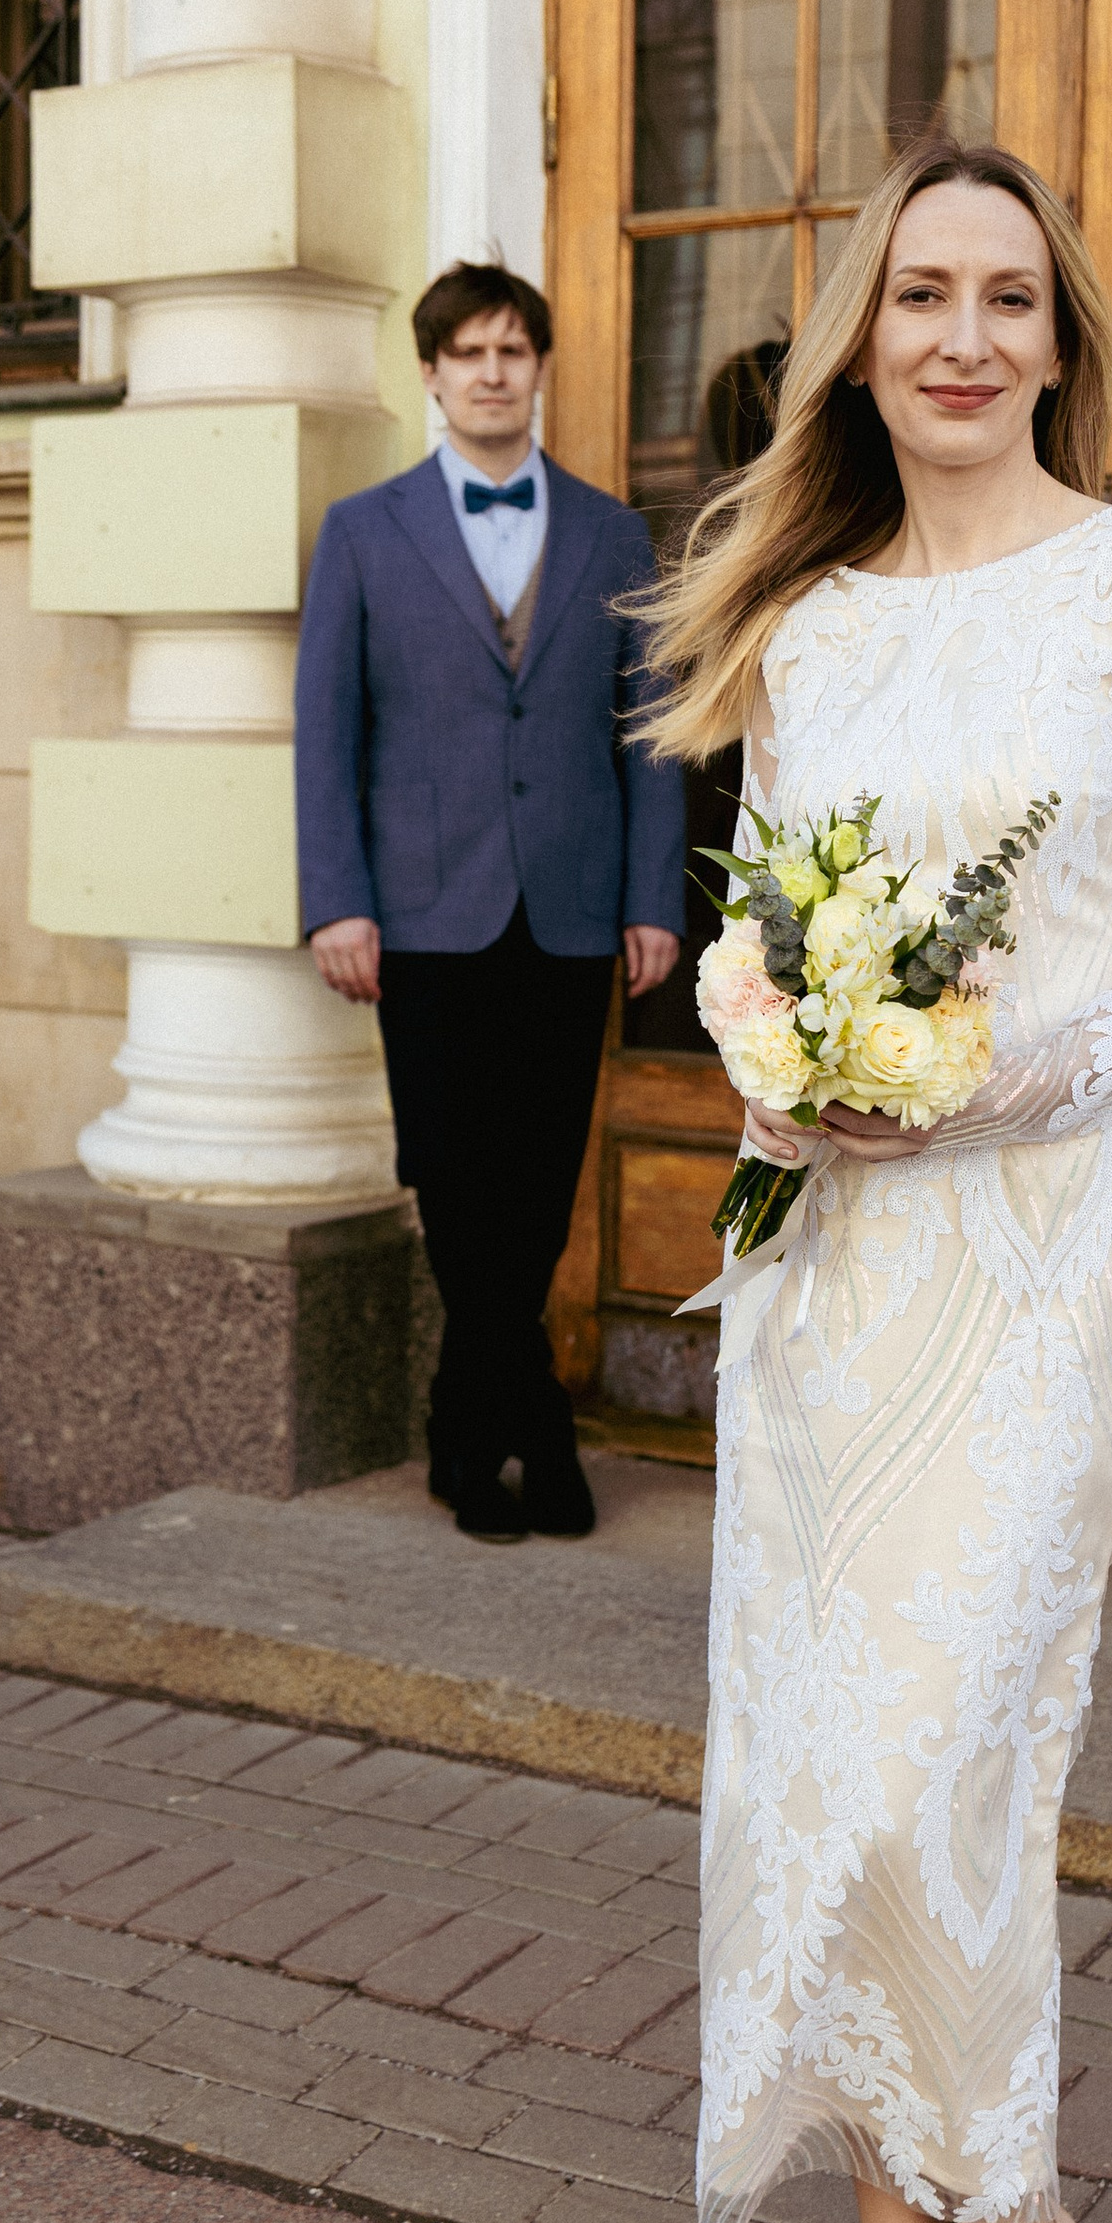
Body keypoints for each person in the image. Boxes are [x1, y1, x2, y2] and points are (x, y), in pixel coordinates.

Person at [634, 138, 1112, 2223]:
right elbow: (753, 930)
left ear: (1056, 334)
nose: (960, 336)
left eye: (1005, 296)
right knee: (829, 1755)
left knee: (947, 1768)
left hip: (1024, 1262)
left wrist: (1008, 1073)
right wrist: (769, 1056)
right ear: (861, 331)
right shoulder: (800, 628)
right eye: (918, 291)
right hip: (827, 1270)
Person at [295, 263, 686, 1541]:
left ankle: (467, 1433)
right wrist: (334, 903)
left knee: (538, 1179)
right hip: (418, 912)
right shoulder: (364, 530)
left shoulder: (612, 532)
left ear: (538, 369)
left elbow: (648, 733)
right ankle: (537, 1426)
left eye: (513, 351)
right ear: (429, 373)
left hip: (571, 910)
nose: (490, 373)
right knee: (452, 1177)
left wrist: (652, 899)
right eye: (466, 353)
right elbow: (326, 735)